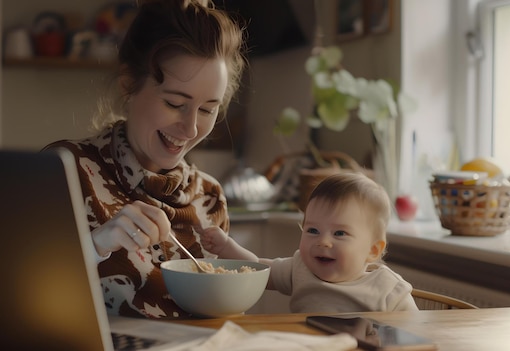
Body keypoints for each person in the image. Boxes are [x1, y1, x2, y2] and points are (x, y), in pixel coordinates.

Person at [43, 0, 247, 318]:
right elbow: (15, 292)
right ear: (128, 85)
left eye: (208, 109)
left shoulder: (209, 197)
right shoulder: (65, 170)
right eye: (175, 103)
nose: (191, 128)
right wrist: (95, 244)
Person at [203, 172, 419, 313]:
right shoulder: (299, 268)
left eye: (340, 234)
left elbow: (420, 331)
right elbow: (255, 268)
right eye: (313, 230)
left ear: (372, 250)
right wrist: (226, 247)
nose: (323, 242)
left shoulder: (388, 289)